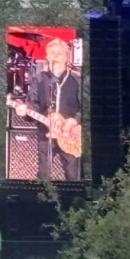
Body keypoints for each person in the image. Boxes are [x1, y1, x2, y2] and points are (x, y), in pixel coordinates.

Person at [15, 38, 81, 181]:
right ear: (46, 56)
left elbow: (84, 108)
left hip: (69, 136)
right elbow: (34, 105)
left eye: (59, 54)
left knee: (73, 176)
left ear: (66, 57)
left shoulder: (76, 80)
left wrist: (74, 121)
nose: (55, 57)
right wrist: (24, 111)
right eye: (52, 53)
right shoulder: (39, 79)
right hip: (46, 133)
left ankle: (74, 201)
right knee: (44, 176)